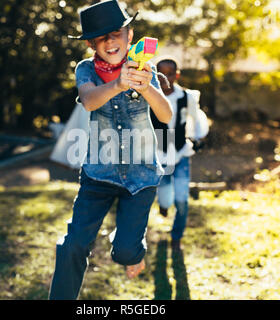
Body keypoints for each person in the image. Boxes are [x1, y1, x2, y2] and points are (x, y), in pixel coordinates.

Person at [49, 0, 173, 300]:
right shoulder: (86, 69)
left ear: (129, 37)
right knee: (73, 244)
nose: (109, 41)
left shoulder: (146, 68)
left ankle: (132, 251)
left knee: (125, 252)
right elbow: (90, 101)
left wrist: (146, 88)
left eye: (116, 33)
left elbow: (166, 116)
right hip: (98, 175)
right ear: (92, 43)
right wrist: (118, 84)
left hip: (141, 177)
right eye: (101, 37)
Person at [150, 56, 209, 251]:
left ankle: (177, 236)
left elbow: (197, 117)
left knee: (182, 199)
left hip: (181, 151)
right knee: (165, 193)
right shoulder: (149, 95)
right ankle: (164, 204)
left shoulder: (186, 97)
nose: (165, 78)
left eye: (170, 73)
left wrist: (199, 137)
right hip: (160, 154)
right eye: (161, 74)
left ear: (176, 75)